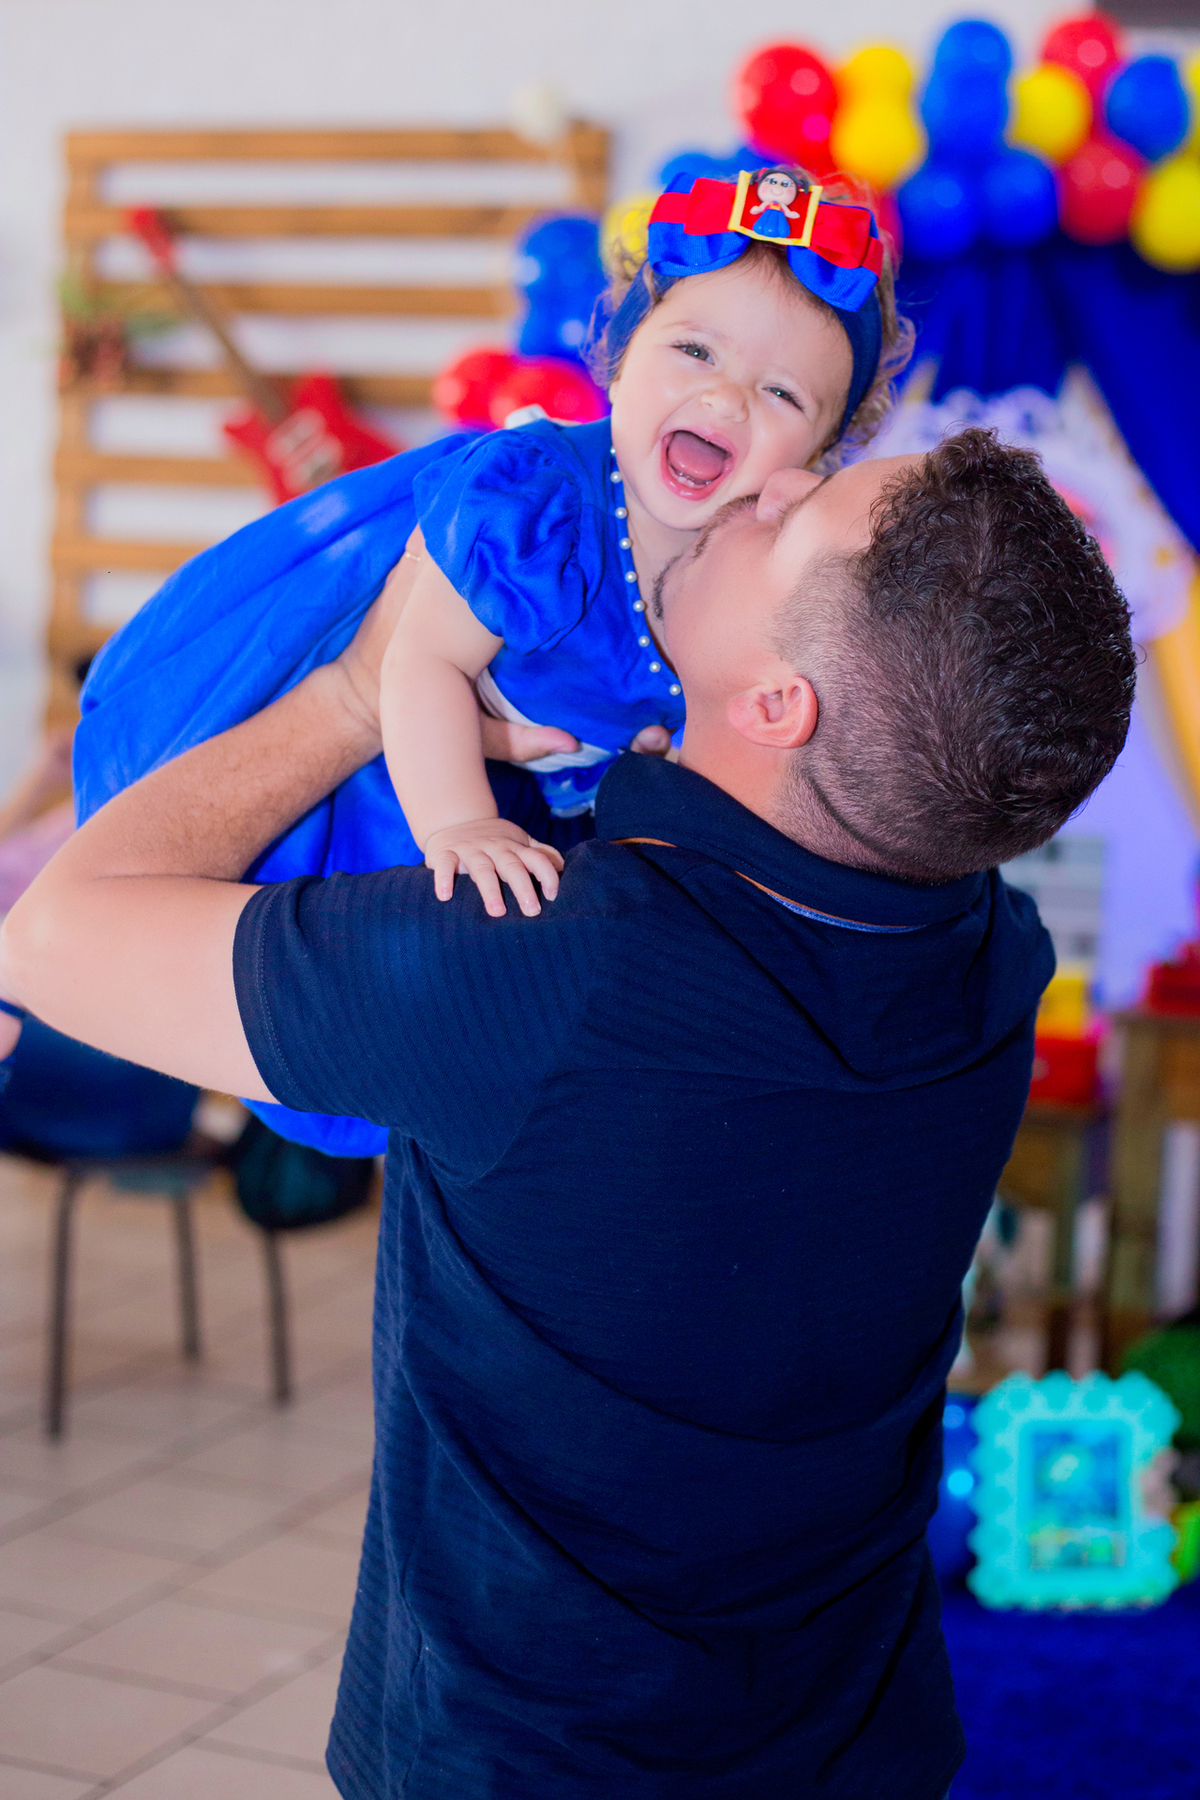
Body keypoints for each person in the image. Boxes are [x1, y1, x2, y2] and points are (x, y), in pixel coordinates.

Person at [3, 429, 1134, 1797]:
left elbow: (49, 940)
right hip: (852, 1741)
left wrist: (367, 693)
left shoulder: (555, 976)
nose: (765, 474)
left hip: (536, 1762)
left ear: (779, 706)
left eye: (795, 516)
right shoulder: (985, 959)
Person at [72, 167, 909, 1155]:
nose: (724, 397)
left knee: (471, 1026)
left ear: (816, 459)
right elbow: (417, 667)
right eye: (692, 349)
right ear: (619, 353)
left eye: (780, 392)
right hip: (401, 778)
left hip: (534, 809)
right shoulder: (542, 507)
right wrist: (461, 818)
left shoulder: (741, 576)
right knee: (326, 965)